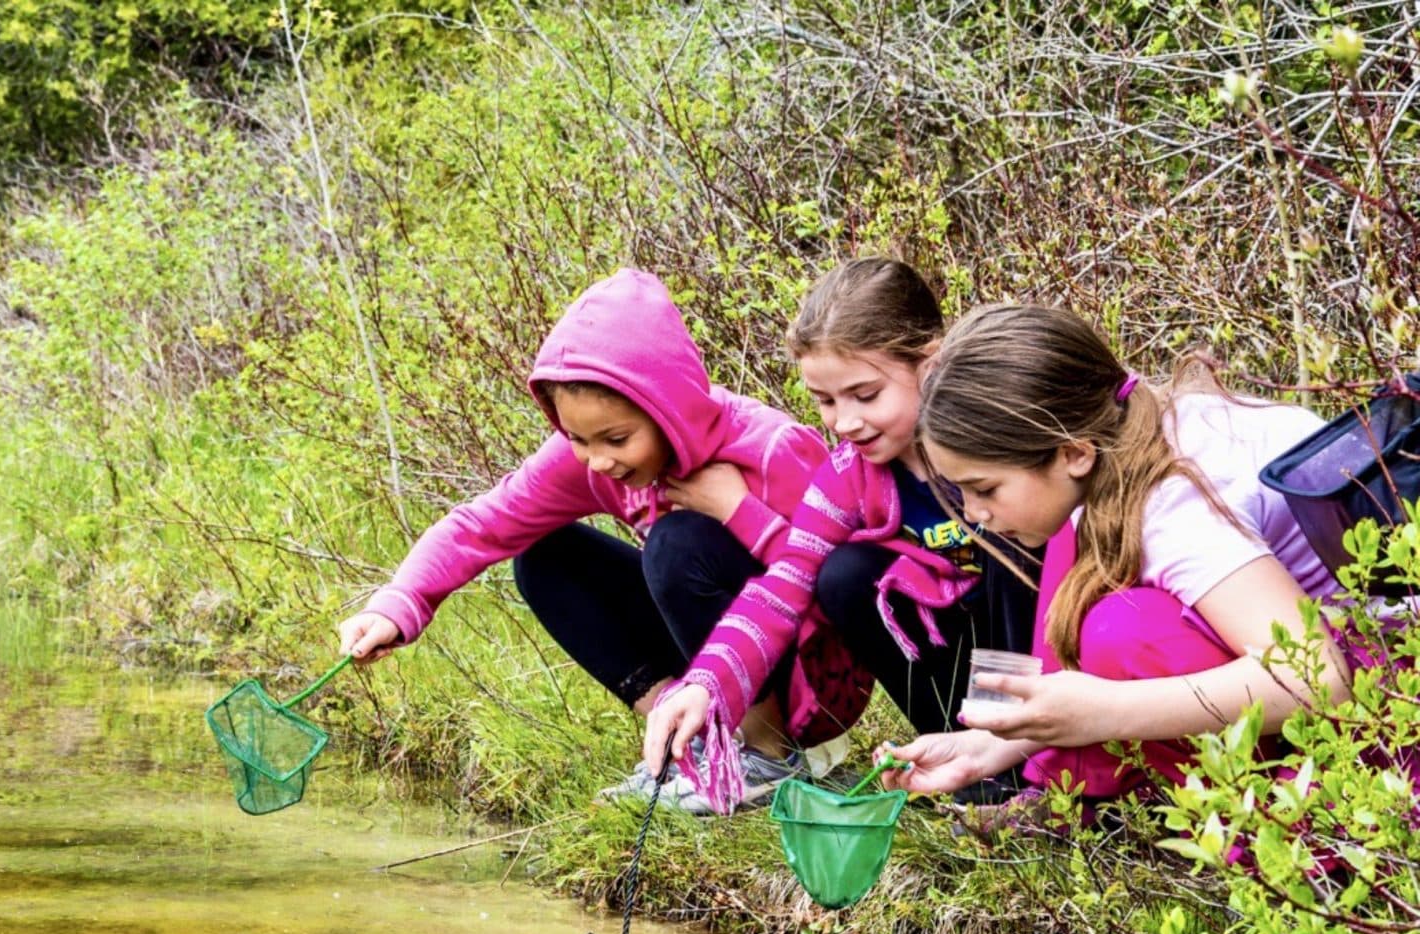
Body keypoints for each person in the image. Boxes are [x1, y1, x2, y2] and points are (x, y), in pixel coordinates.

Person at [337, 268, 873, 813]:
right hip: (710, 660)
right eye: (577, 438)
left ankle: (768, 757)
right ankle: (688, 744)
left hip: (812, 670)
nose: (598, 460)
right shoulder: (593, 461)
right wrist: (401, 603)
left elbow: (835, 586)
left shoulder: (770, 448)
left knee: (677, 544)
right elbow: (482, 524)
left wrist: (738, 513)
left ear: (669, 411)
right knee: (546, 556)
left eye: (617, 439)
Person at [874, 303, 1352, 806]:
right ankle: (1070, 788)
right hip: (1339, 656)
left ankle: (1270, 831)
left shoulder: (1177, 502)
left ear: (1073, 453)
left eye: (985, 489)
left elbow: (1321, 678)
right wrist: (986, 747)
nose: (974, 515)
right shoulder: (1120, 444)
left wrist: (1107, 710)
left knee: (1123, 632)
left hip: (1386, 696)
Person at [646, 259, 1041, 815]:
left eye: (865, 394)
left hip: (1044, 642)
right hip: (956, 657)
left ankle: (1034, 768)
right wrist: (704, 685)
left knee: (1010, 542)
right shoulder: (849, 477)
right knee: (846, 575)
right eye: (826, 401)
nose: (845, 422)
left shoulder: (1005, 441)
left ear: (930, 364)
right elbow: (783, 585)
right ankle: (961, 759)